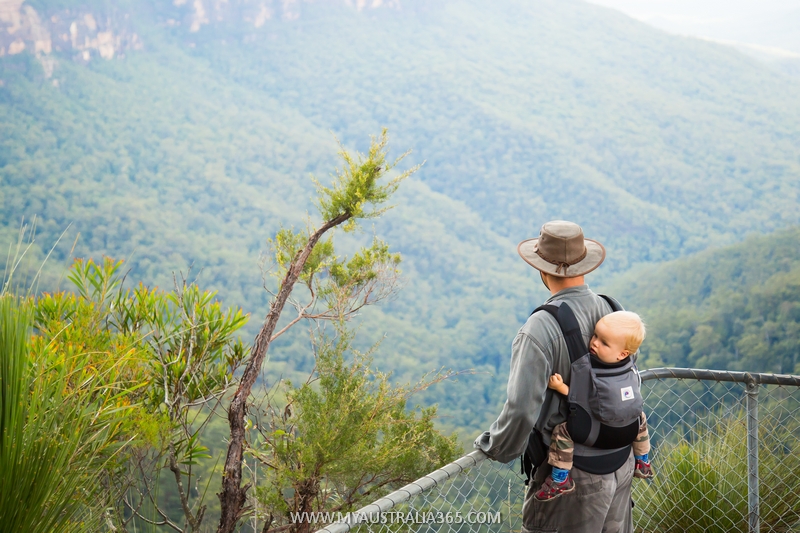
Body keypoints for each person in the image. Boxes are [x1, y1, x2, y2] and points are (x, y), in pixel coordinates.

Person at [474, 220, 637, 533]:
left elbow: (522, 408)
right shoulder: (614, 311)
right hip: (620, 462)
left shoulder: (540, 329)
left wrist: (496, 447)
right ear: (584, 264)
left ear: (541, 270)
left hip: (569, 476)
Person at [534, 311, 654, 502]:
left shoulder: (594, 373)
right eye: (595, 335)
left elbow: (576, 396)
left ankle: (560, 478)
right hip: (628, 431)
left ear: (622, 353)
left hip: (597, 434)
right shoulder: (628, 366)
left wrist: (558, 386)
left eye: (604, 343)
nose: (594, 342)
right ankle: (643, 460)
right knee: (640, 417)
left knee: (562, 431)